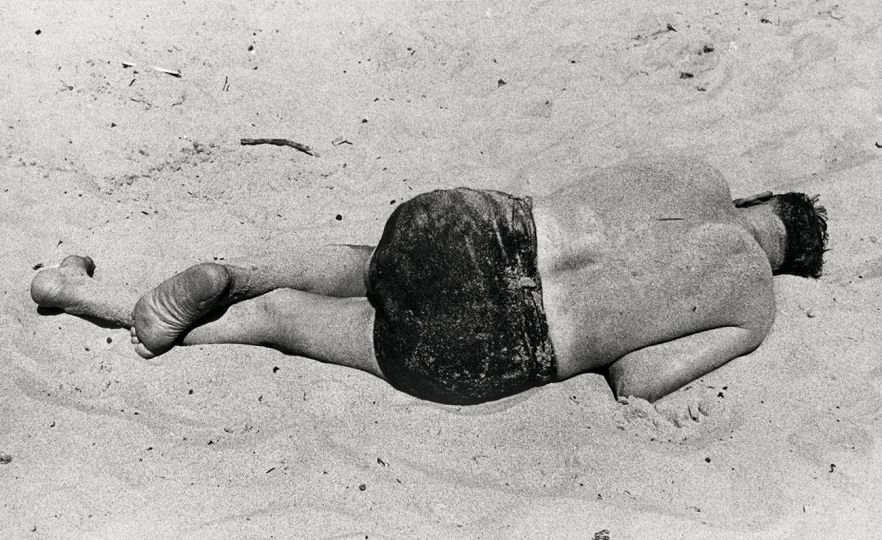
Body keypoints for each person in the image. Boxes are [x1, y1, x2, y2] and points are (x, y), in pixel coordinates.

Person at [30, 158, 828, 405]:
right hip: (504, 341)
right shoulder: (753, 306)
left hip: (478, 226)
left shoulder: (697, 175)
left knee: (363, 263)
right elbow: (638, 378)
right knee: (282, 322)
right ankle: (86, 300)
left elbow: (580, 192)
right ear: (785, 265)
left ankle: (227, 274)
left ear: (755, 202)